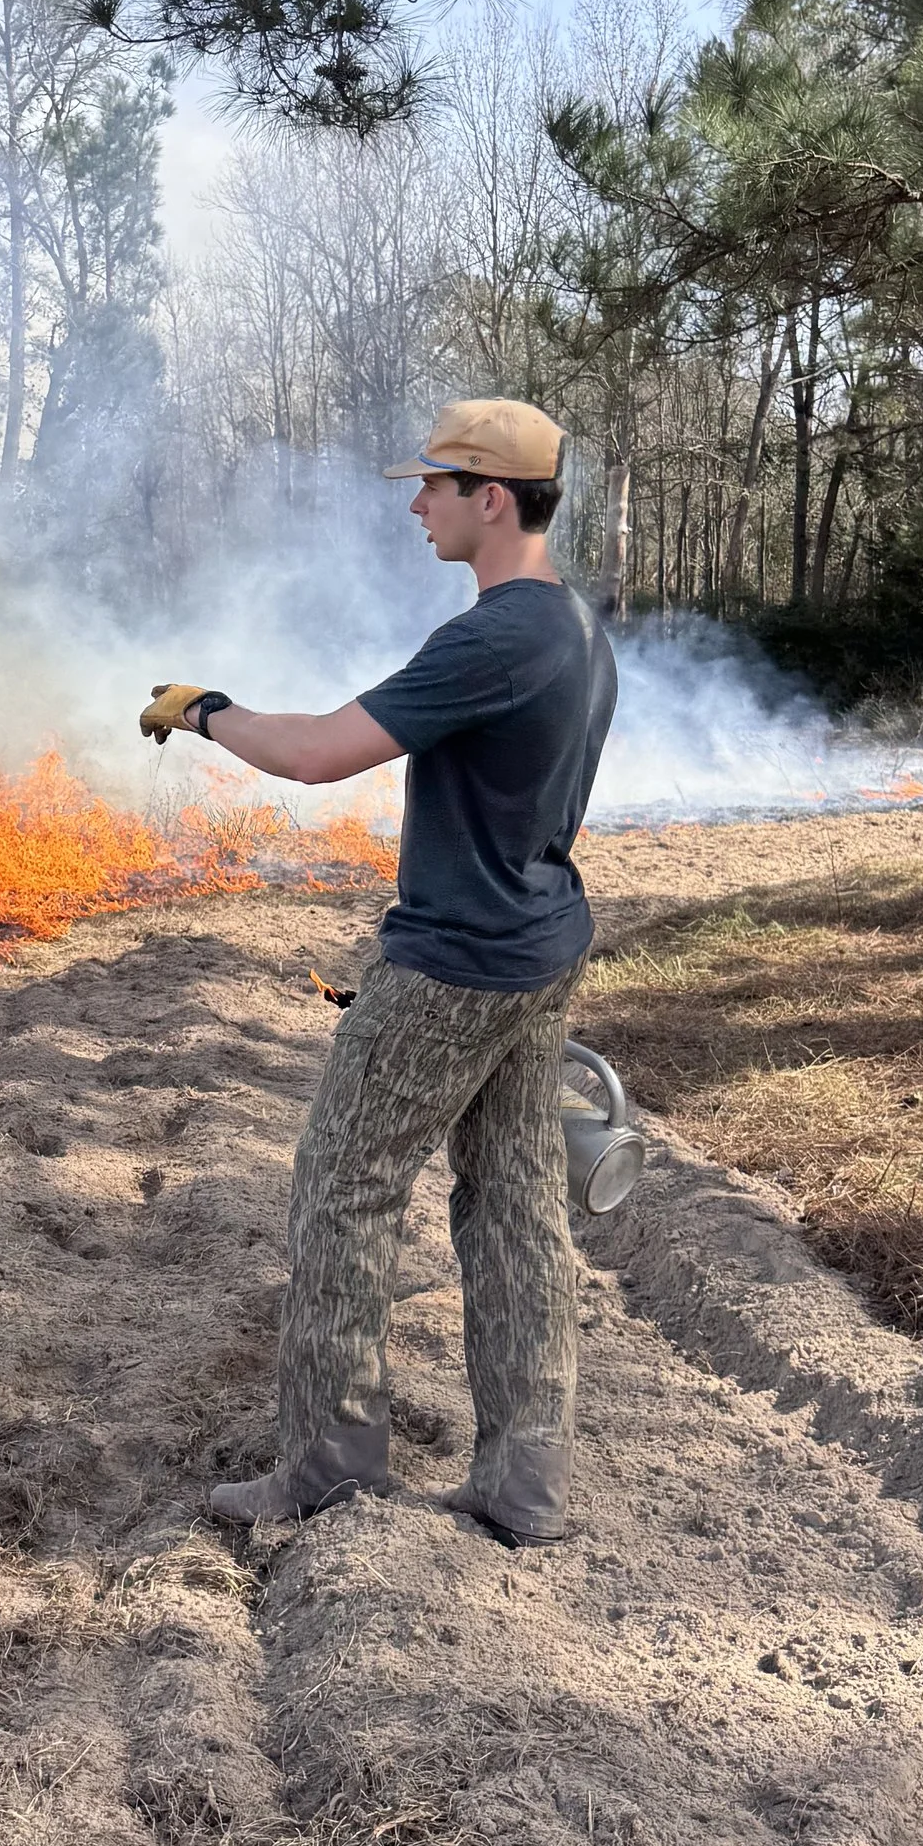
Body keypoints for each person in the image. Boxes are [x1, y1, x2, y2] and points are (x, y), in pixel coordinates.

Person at [140, 397, 620, 1545]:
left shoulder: (495, 635)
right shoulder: (575, 627)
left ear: (489, 499)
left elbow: (312, 756)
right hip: (537, 949)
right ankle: (524, 1482)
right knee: (514, 1208)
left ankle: (327, 1465)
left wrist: (204, 707)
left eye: (433, 487)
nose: (415, 506)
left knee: (343, 1189)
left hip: (453, 964)